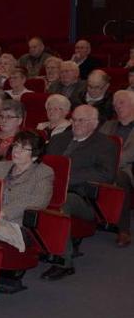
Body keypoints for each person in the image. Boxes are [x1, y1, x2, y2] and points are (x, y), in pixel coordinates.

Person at [43, 105, 117, 280]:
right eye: (74, 120)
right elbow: (44, 164)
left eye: (81, 120)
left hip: (83, 196)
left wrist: (66, 179)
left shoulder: (106, 144)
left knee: (62, 204)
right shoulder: (59, 139)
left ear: (94, 123)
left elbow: (105, 174)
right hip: (49, 188)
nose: (76, 124)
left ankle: (64, 262)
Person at [0, 131, 54, 252]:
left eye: (23, 149)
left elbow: (38, 201)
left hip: (16, 224)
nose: (16, 151)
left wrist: (1, 213)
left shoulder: (44, 173)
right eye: (16, 146)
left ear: (35, 155)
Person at [99, 90, 134, 248]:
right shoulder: (108, 125)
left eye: (121, 102)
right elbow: (96, 146)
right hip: (102, 166)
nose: (117, 106)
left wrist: (107, 163)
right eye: (115, 104)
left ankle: (123, 230)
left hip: (127, 169)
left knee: (119, 177)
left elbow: (129, 155)